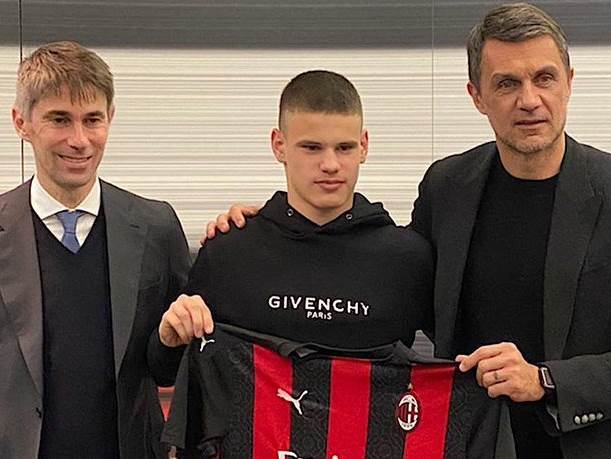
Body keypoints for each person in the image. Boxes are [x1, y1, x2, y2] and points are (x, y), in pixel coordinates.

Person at [207, 3, 611, 458]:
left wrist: (546, 380)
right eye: (507, 83)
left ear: (569, 82)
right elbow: (383, 276)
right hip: (463, 443)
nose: (530, 99)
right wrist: (273, 226)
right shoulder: (448, 186)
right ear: (477, 96)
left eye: (544, 78)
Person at [0, 41, 209, 458]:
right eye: (60, 119)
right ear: (22, 122)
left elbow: (170, 370)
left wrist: (169, 340)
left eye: (92, 119)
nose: (79, 140)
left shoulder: (156, 227)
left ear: (110, 118)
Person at [178, 69, 433, 348]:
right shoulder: (228, 252)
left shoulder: (409, 260)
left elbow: (456, 354)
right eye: (312, 148)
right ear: (279, 145)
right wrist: (167, 339)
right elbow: (172, 359)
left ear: (363, 146)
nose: (330, 164)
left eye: (344, 148)